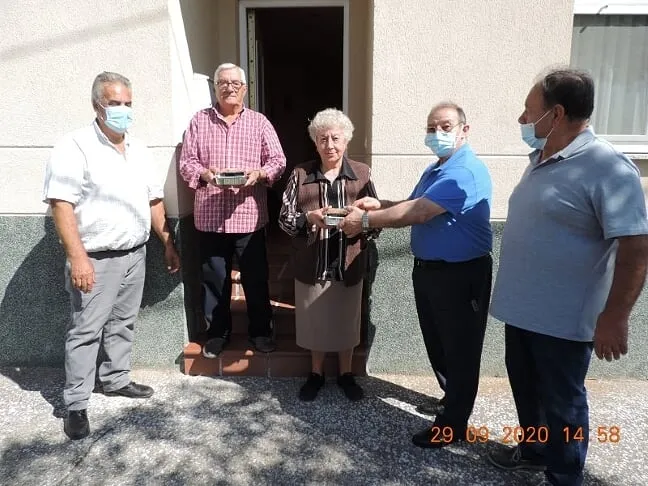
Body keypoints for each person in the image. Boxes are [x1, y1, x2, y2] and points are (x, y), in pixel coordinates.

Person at [487, 69, 648, 486]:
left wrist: (615, 316)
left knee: (564, 404)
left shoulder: (608, 168)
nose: (522, 119)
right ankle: (535, 451)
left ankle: (564, 474)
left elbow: (635, 249)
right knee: (527, 392)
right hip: (522, 312)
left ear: (556, 114)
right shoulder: (541, 159)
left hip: (563, 322)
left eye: (529, 111)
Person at [341, 102, 493, 447]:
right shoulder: (436, 168)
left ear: (464, 130)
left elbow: (420, 213)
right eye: (431, 127)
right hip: (430, 272)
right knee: (439, 343)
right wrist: (379, 205)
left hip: (460, 275)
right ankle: (450, 399)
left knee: (460, 349)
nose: (437, 133)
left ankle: (452, 425)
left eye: (445, 126)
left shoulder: (465, 171)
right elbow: (411, 204)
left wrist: (364, 221)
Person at [43, 71, 181, 441]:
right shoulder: (74, 146)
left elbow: (154, 199)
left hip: (135, 253)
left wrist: (167, 242)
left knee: (123, 322)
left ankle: (116, 379)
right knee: (86, 330)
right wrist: (79, 258)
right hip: (95, 258)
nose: (123, 110)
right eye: (115, 103)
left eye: (128, 104)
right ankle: (76, 404)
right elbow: (61, 204)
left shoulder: (138, 149)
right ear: (97, 105)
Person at [178, 63, 286, 358]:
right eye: (222, 83)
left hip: (249, 216)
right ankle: (217, 334)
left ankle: (260, 332)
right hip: (210, 217)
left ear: (245, 89)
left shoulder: (259, 122)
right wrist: (206, 174)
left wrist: (259, 174)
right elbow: (187, 162)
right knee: (214, 280)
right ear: (215, 88)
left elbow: (277, 160)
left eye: (235, 83)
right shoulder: (199, 121)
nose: (229, 88)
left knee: (256, 278)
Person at [279, 108, 379, 402]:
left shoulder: (362, 173)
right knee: (316, 322)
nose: (330, 144)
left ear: (346, 140)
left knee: (347, 320)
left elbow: (376, 220)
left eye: (336, 138)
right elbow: (284, 220)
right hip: (313, 261)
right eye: (323, 138)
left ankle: (346, 374)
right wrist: (309, 218)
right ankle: (316, 373)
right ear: (315, 142)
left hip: (349, 260)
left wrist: (360, 222)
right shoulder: (301, 174)